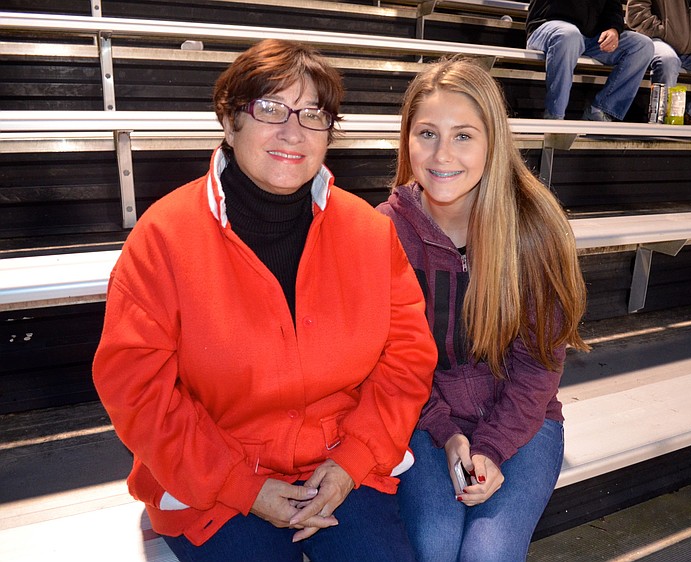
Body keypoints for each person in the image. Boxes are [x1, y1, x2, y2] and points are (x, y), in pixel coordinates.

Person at [91, 39, 437, 562]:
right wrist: (242, 485)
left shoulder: (370, 233)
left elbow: (407, 361)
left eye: (313, 114)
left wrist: (352, 461)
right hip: (213, 477)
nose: (293, 131)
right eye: (271, 109)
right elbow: (136, 390)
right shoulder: (163, 237)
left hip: (340, 466)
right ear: (230, 122)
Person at [377, 57, 589, 562]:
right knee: (433, 543)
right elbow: (390, 364)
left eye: (464, 136)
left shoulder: (533, 225)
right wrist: (447, 434)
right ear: (406, 139)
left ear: (493, 141)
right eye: (427, 133)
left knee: (486, 554)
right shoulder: (384, 231)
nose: (442, 154)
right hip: (423, 420)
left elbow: (538, 367)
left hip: (523, 419)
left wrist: (491, 448)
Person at [526, 0, 654, 121]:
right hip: (549, 26)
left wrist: (613, 29)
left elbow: (613, 7)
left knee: (642, 45)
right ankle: (554, 117)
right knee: (569, 35)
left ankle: (600, 111)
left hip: (589, 37)